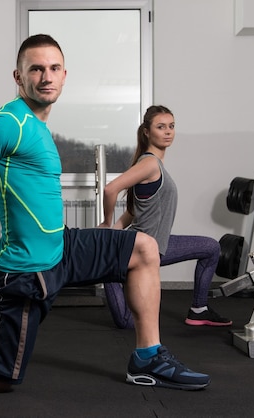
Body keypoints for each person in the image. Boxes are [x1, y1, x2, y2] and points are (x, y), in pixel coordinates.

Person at [0, 34, 210, 392]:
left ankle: (148, 358)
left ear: (64, 75)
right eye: (36, 69)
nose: (46, 76)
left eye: (53, 68)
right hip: (28, 269)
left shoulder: (36, 125)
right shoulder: (9, 122)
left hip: (61, 244)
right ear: (18, 77)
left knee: (143, 248)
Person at [98, 105, 231, 329]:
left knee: (210, 248)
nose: (168, 131)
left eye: (171, 126)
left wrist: (116, 229)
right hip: (142, 247)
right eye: (161, 127)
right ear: (147, 132)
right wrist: (106, 223)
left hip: (157, 245)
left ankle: (199, 310)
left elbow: (134, 210)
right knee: (128, 323)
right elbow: (111, 189)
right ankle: (110, 265)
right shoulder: (149, 163)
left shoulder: (153, 164)